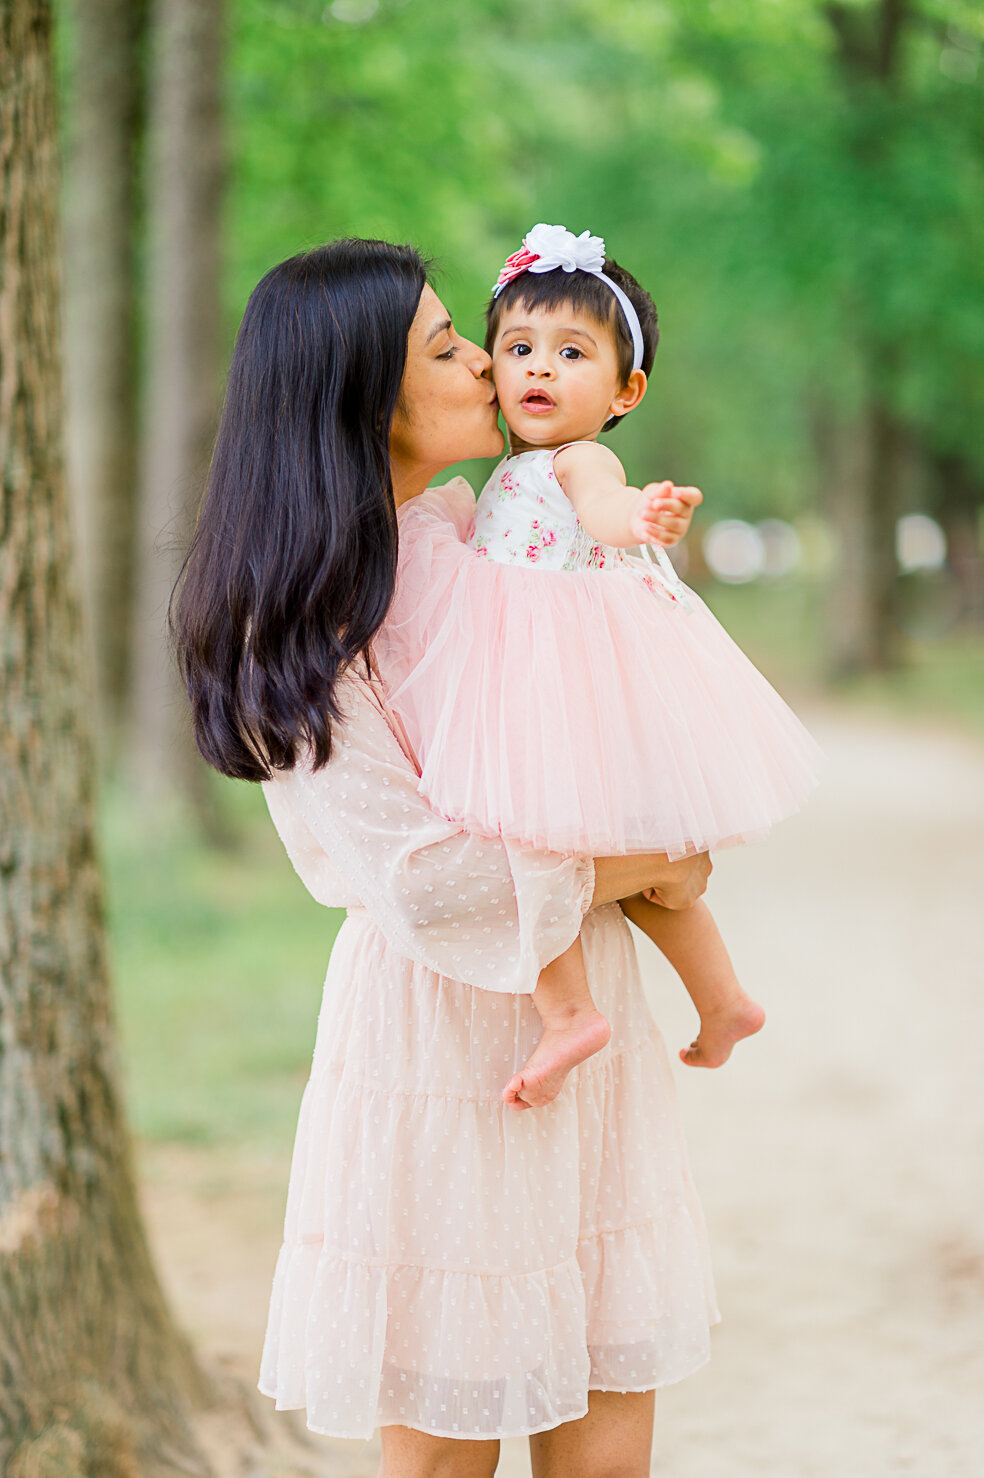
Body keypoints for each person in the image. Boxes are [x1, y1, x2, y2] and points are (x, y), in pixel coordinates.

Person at [169, 237, 719, 1478]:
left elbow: (621, 716)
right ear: (368, 400)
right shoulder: (303, 610)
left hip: (586, 1007)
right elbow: (424, 874)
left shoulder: (489, 537)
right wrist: (650, 865)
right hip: (443, 1035)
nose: (486, 357)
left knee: (604, 1394)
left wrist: (665, 834)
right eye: (446, 348)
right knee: (443, 1439)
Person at [374, 222, 824, 1112]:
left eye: (572, 353)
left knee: (534, 838)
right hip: (519, 677)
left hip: (560, 681)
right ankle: (720, 1001)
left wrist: (643, 516)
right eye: (519, 348)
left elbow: (605, 510)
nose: (539, 369)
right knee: (570, 852)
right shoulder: (504, 472)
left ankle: (582, 1010)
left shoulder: (582, 458)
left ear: (626, 390)